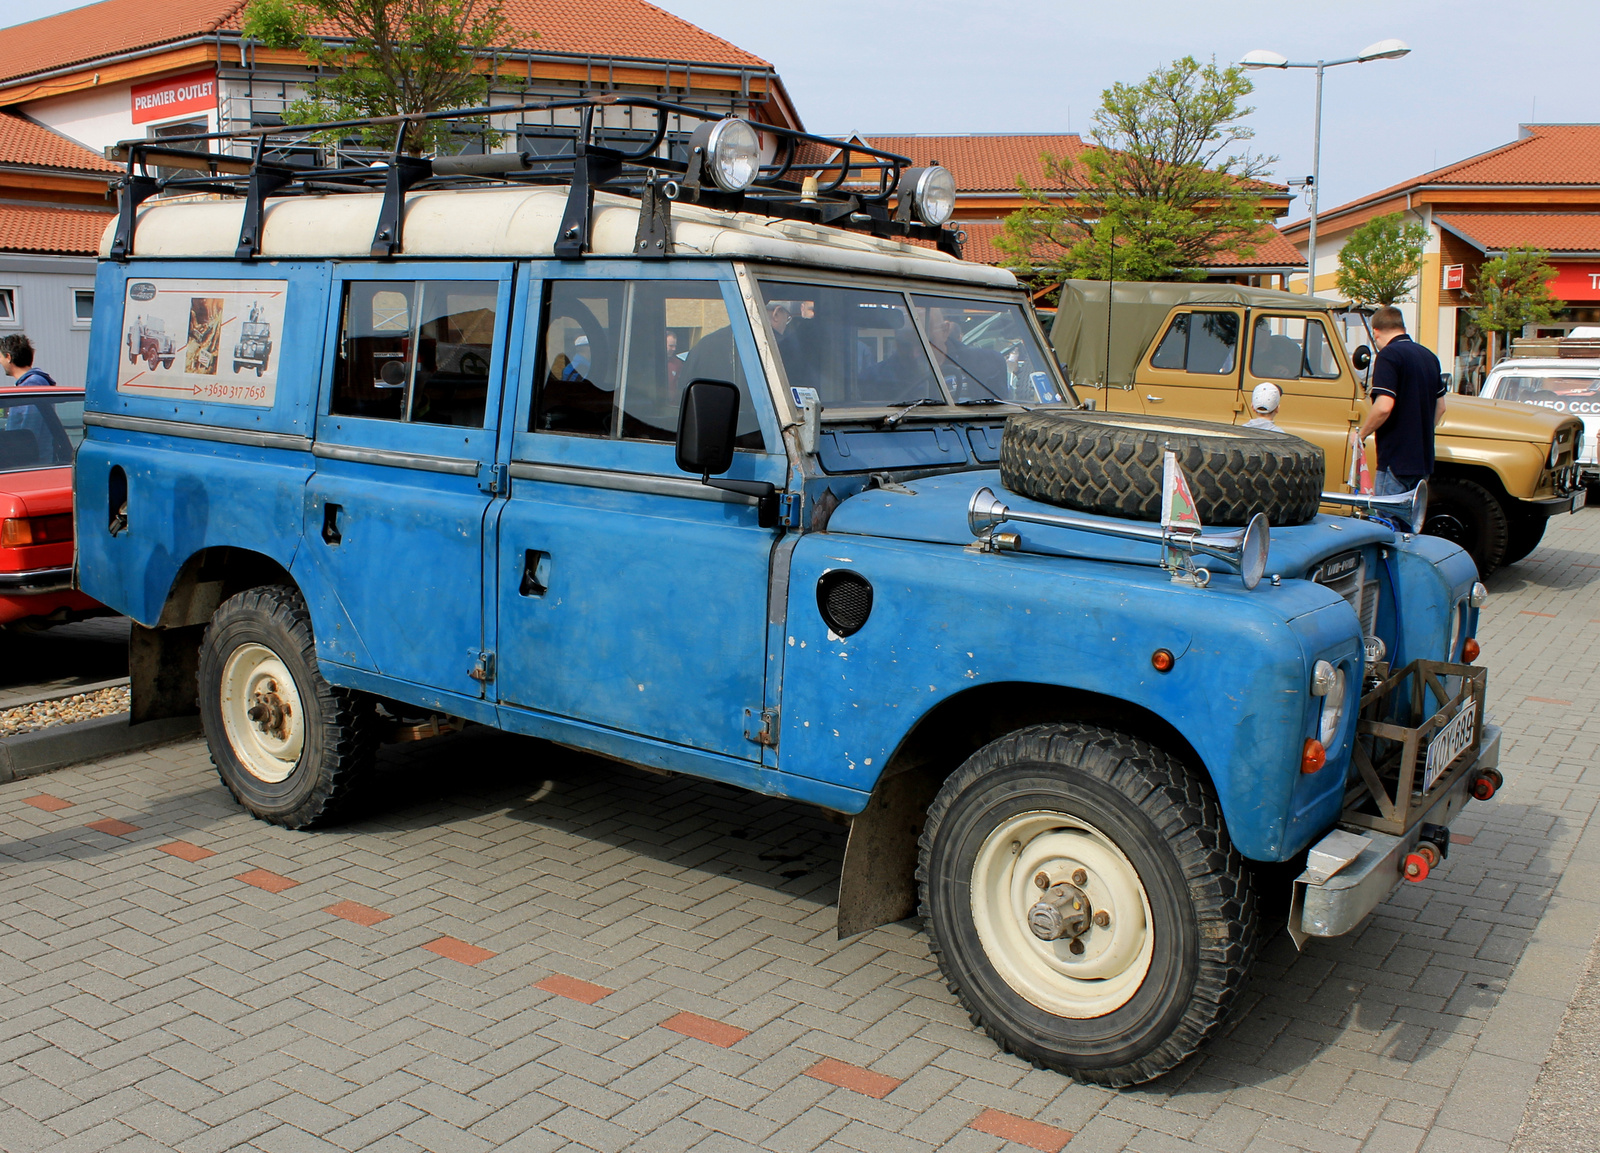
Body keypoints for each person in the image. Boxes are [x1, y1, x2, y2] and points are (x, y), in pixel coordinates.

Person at [1353, 306, 1446, 495]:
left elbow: (1384, 406)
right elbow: (1441, 407)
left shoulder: (1389, 356)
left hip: (1396, 459)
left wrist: (1361, 435)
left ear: (1376, 332)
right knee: (1413, 521)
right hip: (1423, 459)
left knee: (1387, 521)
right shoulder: (1429, 357)